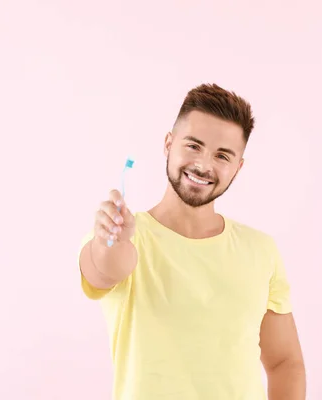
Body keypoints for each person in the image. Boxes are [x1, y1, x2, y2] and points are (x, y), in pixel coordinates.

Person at [78, 83, 306, 399]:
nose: (203, 165)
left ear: (238, 167)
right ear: (169, 144)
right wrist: (112, 241)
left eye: (222, 155)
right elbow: (105, 268)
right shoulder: (123, 235)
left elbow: (284, 363)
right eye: (193, 146)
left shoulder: (261, 250)